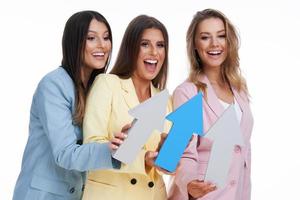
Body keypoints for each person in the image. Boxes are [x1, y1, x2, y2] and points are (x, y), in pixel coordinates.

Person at [13, 10, 126, 200]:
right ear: (74, 42)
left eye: (106, 38)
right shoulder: (53, 85)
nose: (102, 45)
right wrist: (110, 150)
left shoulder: (98, 88)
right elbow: (65, 153)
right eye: (91, 38)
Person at [82, 15, 172, 200]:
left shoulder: (166, 99)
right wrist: (142, 157)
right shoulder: (108, 84)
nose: (154, 52)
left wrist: (170, 158)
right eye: (145, 44)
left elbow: (165, 165)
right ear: (131, 49)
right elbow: (90, 147)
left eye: (160, 45)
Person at [168, 9, 253, 200]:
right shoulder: (187, 92)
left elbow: (244, 154)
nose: (215, 44)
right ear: (195, 46)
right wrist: (189, 183)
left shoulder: (239, 90)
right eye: (205, 37)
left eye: (221, 36)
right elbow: (180, 150)